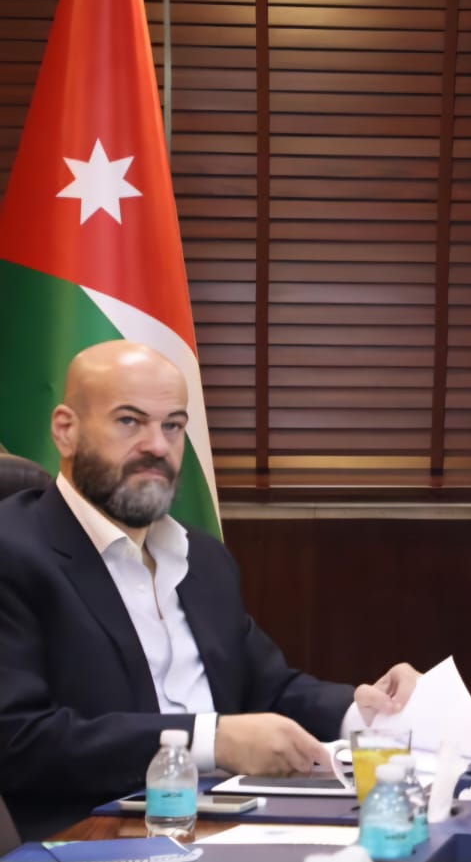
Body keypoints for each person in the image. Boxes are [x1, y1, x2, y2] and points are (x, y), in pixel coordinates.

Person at [0, 341, 422, 840]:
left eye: (173, 426)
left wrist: (366, 711)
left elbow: (268, 687)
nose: (157, 446)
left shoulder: (202, 558)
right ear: (66, 430)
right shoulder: (14, 550)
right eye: (130, 421)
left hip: (234, 821)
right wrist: (209, 740)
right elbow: (19, 738)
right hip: (94, 833)